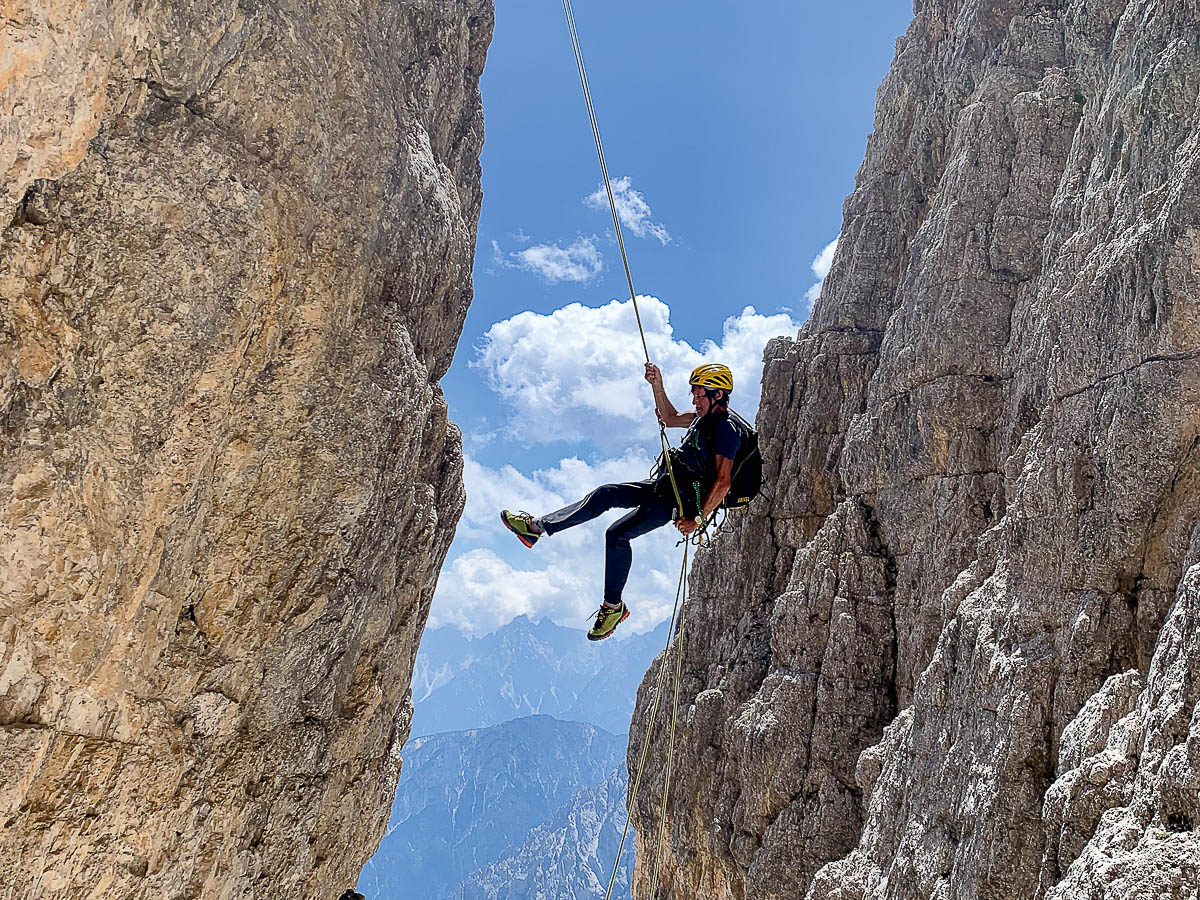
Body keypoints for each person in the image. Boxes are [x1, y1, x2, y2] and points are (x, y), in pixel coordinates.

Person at [501, 363, 744, 641]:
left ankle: (613, 608)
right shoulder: (704, 419)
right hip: (665, 487)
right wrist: (657, 384)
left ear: (718, 395)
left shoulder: (726, 430)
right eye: (694, 393)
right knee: (606, 493)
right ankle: (536, 527)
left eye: (700, 394)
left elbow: (723, 482)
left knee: (616, 535)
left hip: (674, 502)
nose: (694, 399)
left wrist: (697, 520)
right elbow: (669, 417)